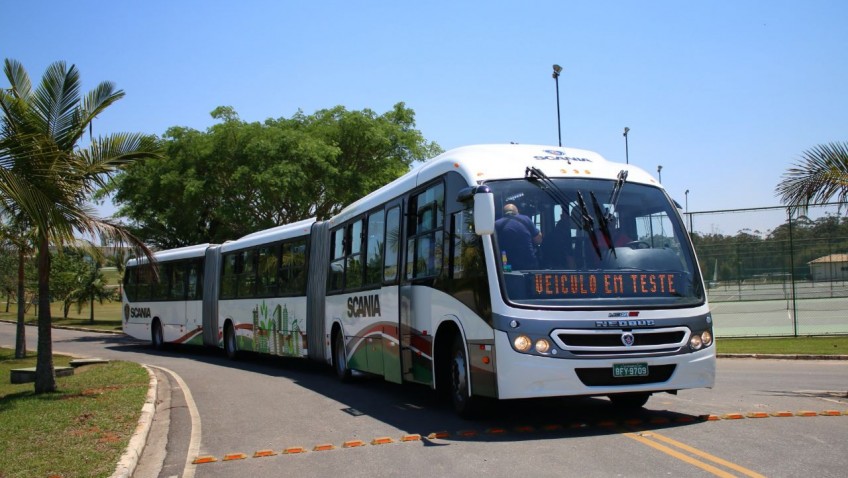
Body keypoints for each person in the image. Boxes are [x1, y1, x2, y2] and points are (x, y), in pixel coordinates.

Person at [495, 203, 542, 270]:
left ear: (504, 213)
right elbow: (538, 240)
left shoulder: (497, 224)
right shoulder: (526, 219)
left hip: (508, 265)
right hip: (529, 264)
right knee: (531, 278)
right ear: (517, 212)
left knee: (509, 277)